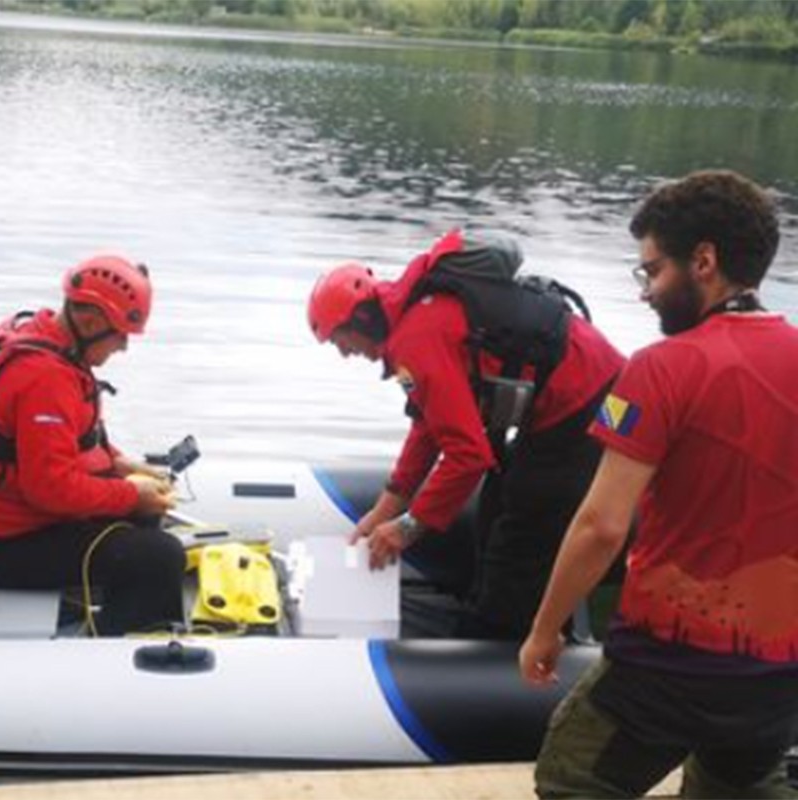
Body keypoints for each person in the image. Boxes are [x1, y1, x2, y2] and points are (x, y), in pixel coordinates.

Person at [519, 171, 798, 798]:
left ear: (704, 262)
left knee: (571, 777)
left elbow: (601, 526)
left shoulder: (658, 369)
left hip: (666, 664)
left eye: (653, 272)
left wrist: (545, 630)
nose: (645, 292)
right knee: (739, 784)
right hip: (777, 675)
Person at [307, 230, 625, 640]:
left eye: (339, 339)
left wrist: (407, 528)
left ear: (361, 319)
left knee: (525, 520)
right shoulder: (412, 325)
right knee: (496, 499)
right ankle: (493, 606)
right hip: (563, 403)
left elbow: (468, 456)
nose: (343, 352)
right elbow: (429, 425)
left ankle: (501, 634)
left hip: (591, 403)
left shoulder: (417, 339)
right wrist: (385, 507)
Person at [0, 254, 184, 636]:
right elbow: (49, 489)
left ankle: (113, 611)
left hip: (22, 521)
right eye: (121, 335)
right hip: (6, 544)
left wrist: (122, 465)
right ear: (90, 322)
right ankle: (121, 653)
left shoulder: (43, 335)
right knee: (159, 557)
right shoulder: (45, 377)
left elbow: (76, 438)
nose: (124, 347)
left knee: (146, 515)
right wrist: (128, 494)